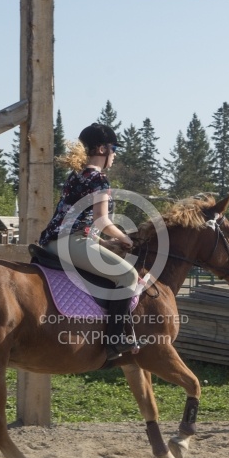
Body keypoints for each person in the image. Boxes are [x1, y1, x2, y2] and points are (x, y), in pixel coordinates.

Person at [38, 123, 142, 361]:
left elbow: (86, 224)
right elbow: (102, 221)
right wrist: (124, 237)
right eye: (114, 148)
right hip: (72, 242)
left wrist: (105, 243)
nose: (115, 154)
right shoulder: (99, 180)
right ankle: (115, 341)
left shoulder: (76, 176)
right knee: (128, 276)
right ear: (103, 149)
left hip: (52, 242)